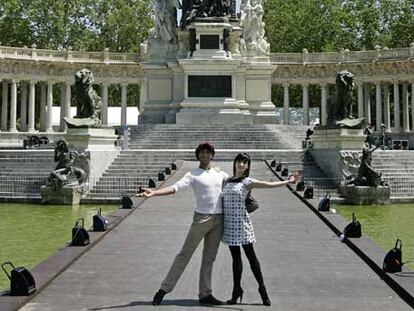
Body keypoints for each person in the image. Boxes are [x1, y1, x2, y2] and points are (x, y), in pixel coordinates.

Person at [138, 143, 229, 306]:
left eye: (207, 152)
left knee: (209, 258)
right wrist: (154, 192)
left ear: (212, 155)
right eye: (201, 152)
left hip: (218, 220)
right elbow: (175, 188)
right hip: (201, 218)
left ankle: (205, 293)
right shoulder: (193, 174)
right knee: (185, 254)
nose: (204, 155)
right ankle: (164, 289)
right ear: (198, 156)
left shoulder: (221, 174)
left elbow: (236, 183)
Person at [222, 152, 300, 306]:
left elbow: (268, 185)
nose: (241, 165)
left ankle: (262, 289)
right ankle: (236, 290)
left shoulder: (248, 182)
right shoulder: (226, 181)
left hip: (242, 225)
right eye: (239, 161)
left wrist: (288, 181)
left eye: (245, 162)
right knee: (235, 259)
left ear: (248, 166)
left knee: (251, 257)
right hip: (229, 225)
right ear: (235, 163)